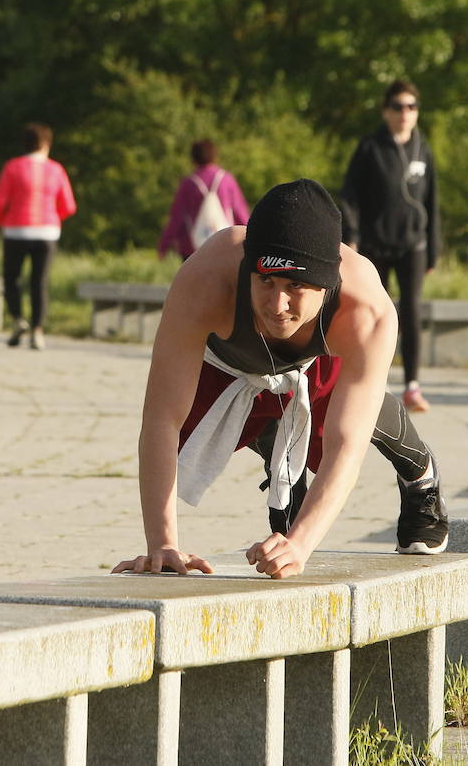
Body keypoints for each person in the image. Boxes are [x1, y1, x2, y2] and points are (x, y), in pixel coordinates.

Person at [112, 179, 448, 580]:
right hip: (231, 366)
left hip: (318, 365)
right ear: (246, 269)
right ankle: (285, 501)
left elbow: (347, 444)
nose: (277, 305)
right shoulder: (206, 279)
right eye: (265, 281)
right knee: (275, 508)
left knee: (347, 421)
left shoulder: (366, 311)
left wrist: (301, 545)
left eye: (296, 287)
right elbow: (161, 419)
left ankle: (420, 476)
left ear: (325, 286)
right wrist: (162, 546)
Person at [340, 80, 440, 413]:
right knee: (375, 313)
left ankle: (412, 385)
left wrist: (434, 249)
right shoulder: (370, 148)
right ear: (386, 111)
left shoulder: (422, 149)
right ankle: (374, 380)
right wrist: (351, 235)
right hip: (374, 245)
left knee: (411, 310)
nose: (404, 113)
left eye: (411, 107)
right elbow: (350, 195)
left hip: (413, 244)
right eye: (397, 106)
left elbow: (432, 200)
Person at [0, 122, 77, 350]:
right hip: (47, 232)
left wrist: (2, 221)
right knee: (39, 282)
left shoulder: (12, 167)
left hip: (16, 230)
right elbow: (69, 205)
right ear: (47, 144)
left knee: (12, 279)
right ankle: (37, 331)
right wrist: (53, 217)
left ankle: (19, 319)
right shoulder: (56, 169)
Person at [157, 139, 251, 260]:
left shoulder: (188, 184)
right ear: (214, 156)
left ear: (193, 159)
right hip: (224, 246)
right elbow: (240, 212)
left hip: (193, 250)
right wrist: (253, 238)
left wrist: (163, 246)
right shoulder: (226, 179)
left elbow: (176, 218)